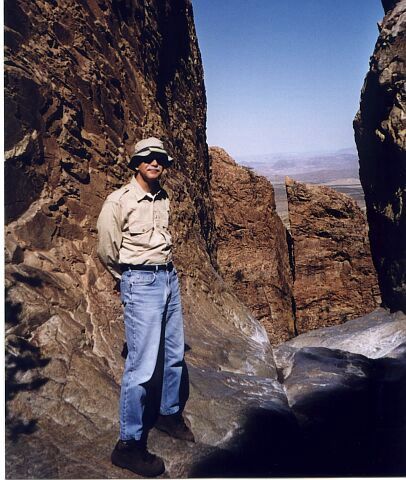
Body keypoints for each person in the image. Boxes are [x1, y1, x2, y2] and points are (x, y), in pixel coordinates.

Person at [97, 137, 194, 477]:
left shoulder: (163, 197)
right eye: (148, 158)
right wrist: (132, 279)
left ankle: (168, 413)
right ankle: (129, 445)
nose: (155, 162)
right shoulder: (118, 201)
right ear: (136, 162)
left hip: (169, 278)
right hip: (142, 283)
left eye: (160, 158)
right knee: (141, 367)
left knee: (173, 353)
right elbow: (107, 250)